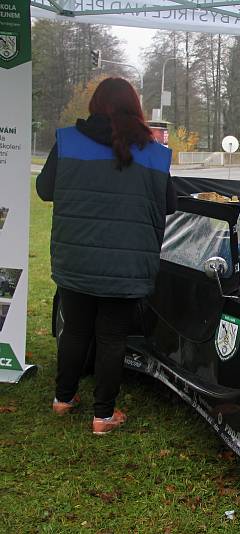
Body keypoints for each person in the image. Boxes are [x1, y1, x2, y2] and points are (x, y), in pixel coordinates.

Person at [36, 77, 176, 435]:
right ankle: (103, 416)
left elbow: (45, 189)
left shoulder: (67, 140)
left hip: (75, 256)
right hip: (126, 264)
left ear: (95, 104)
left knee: (75, 331)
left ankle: (63, 399)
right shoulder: (155, 153)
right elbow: (169, 204)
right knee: (113, 337)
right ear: (135, 107)